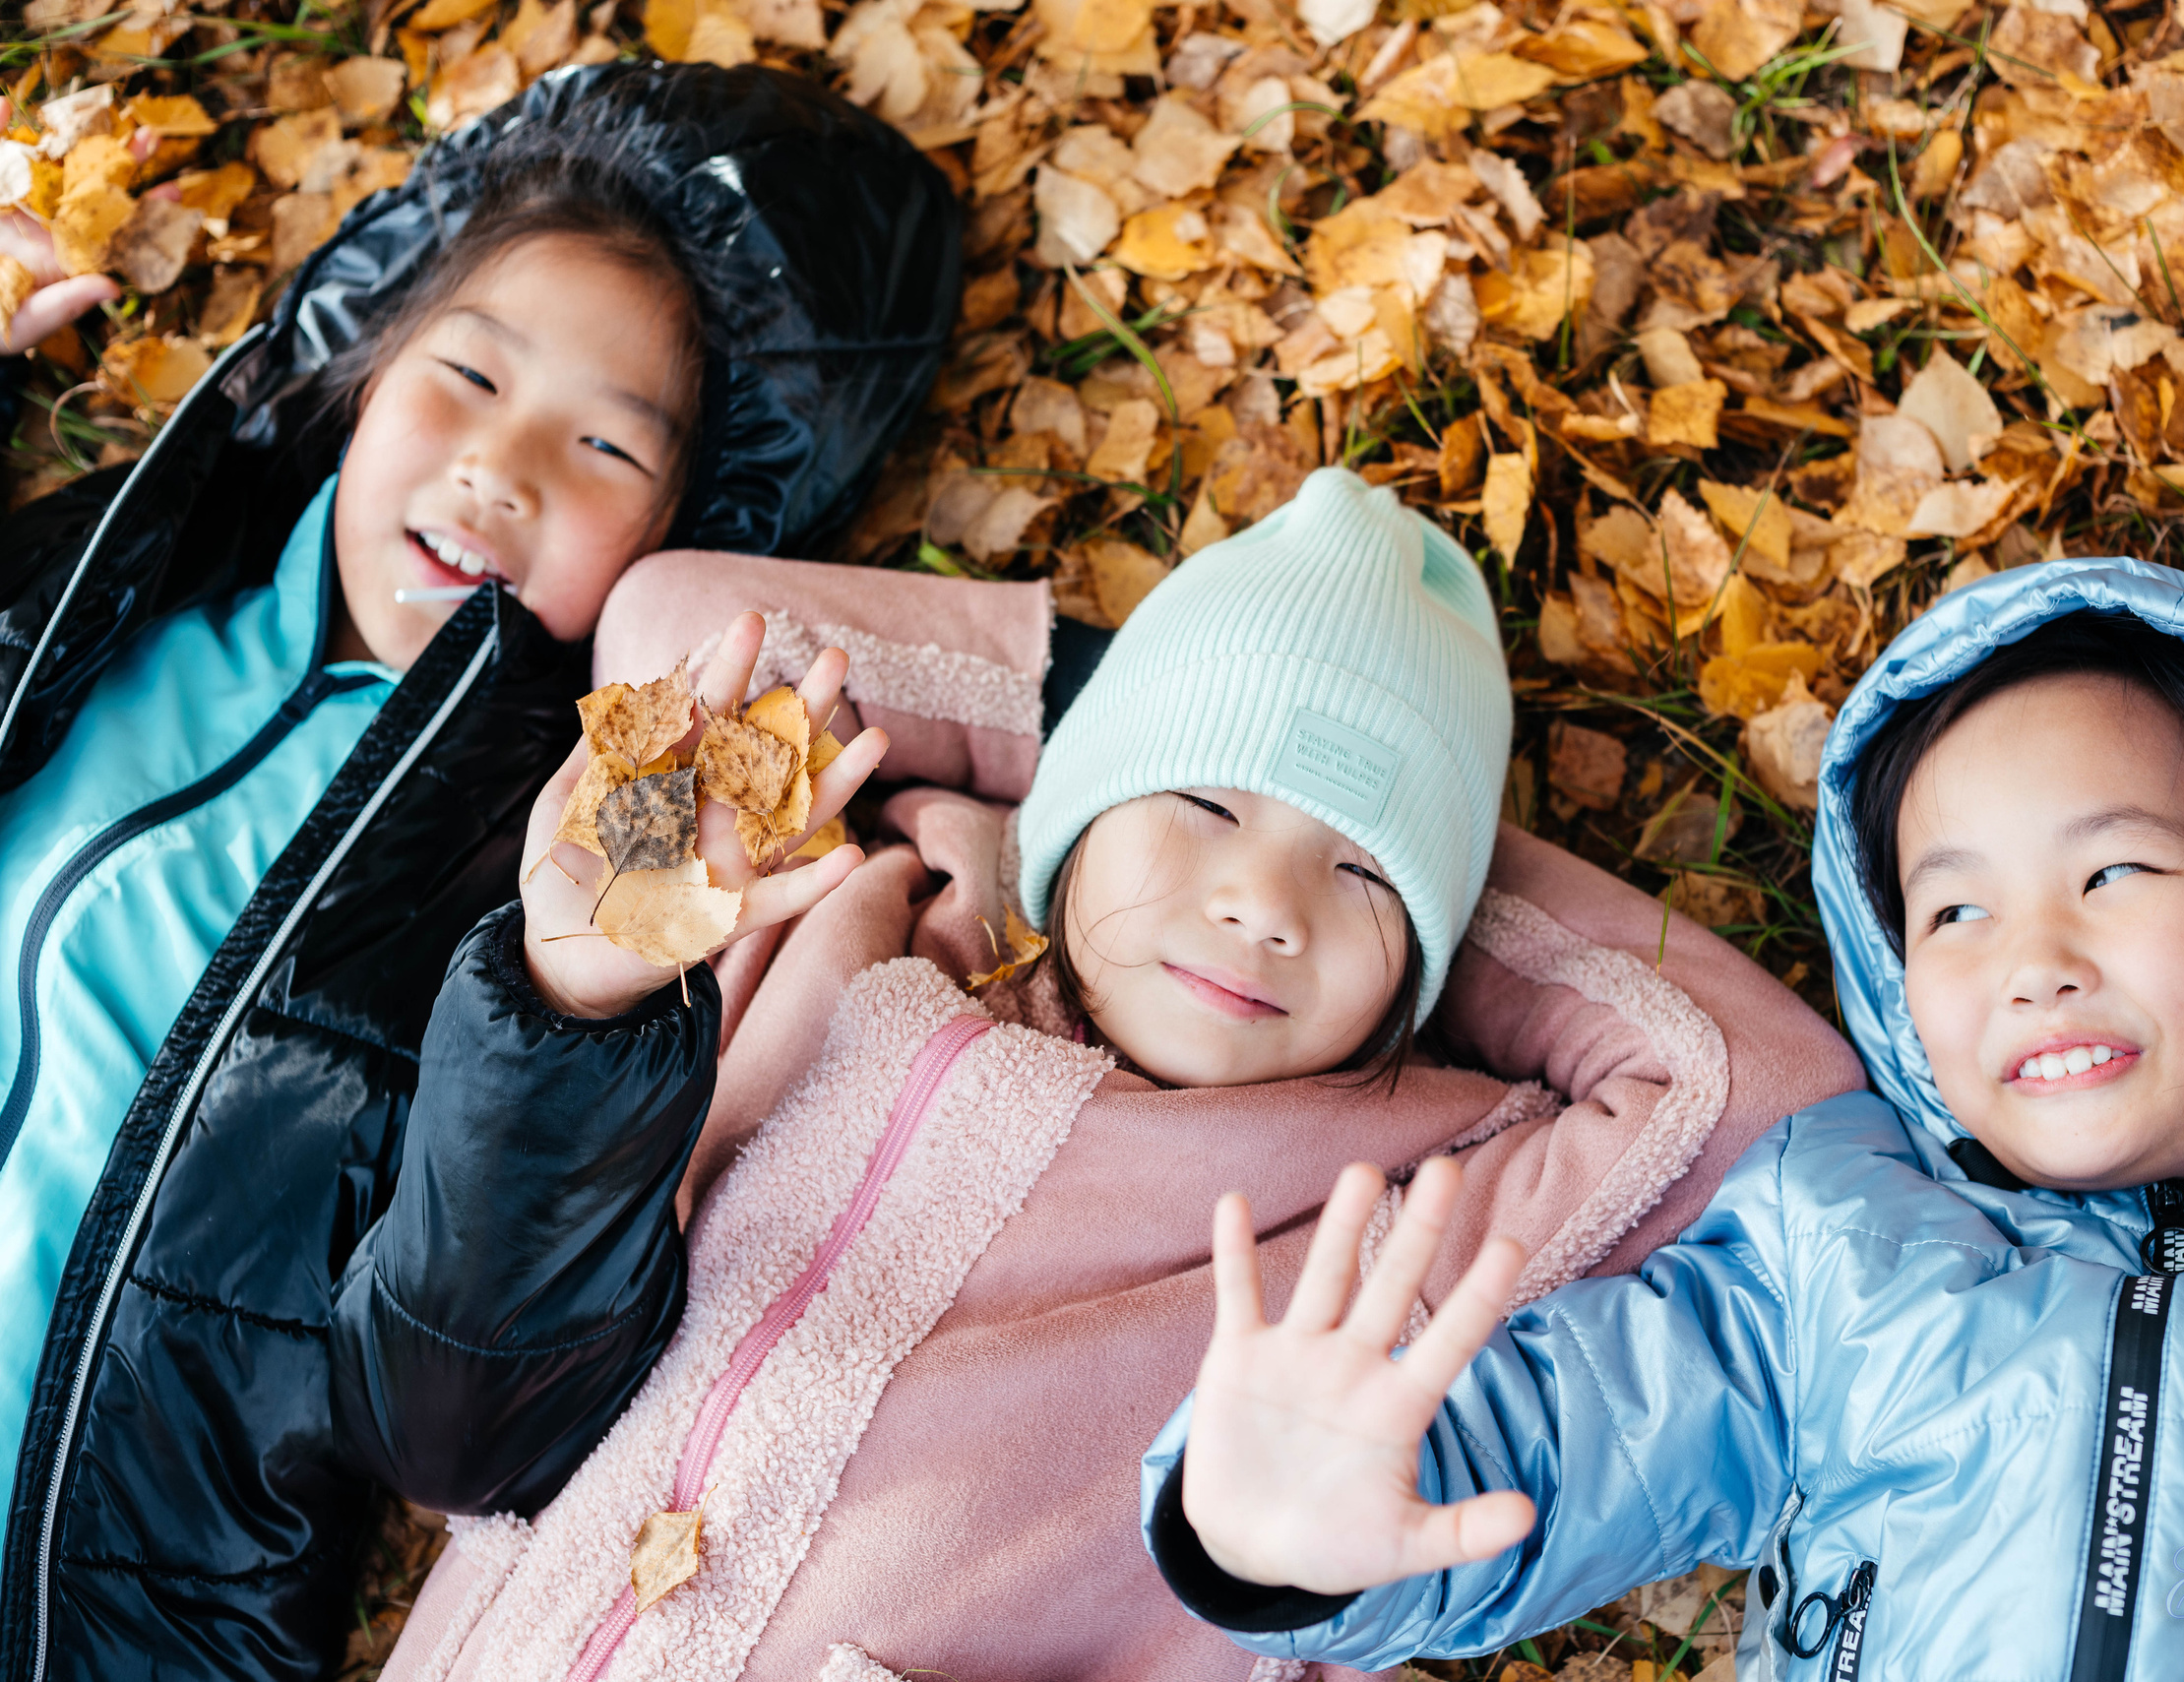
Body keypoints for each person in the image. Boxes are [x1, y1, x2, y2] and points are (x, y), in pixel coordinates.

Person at [343, 467, 1867, 1681]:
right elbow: (693, 623)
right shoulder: (865, 918)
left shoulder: (1399, 1196)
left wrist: (1437, 885)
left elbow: (1755, 1085)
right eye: (1199, 801)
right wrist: (1114, 715)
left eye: (1359, 875)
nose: (1265, 900)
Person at [0, 62, 959, 1680]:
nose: (502, 465)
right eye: (467, 374)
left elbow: (459, 1426)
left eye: (602, 441)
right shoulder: (113, 580)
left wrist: (575, 997)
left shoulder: (554, 847)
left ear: (683, 530)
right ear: (364, 373)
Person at [1143, 559, 2184, 1678]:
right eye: (1957, 910)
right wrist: (1293, 1516)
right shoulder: (1842, 1240)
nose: (2034, 960)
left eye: (2114, 871)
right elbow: (1597, 1422)